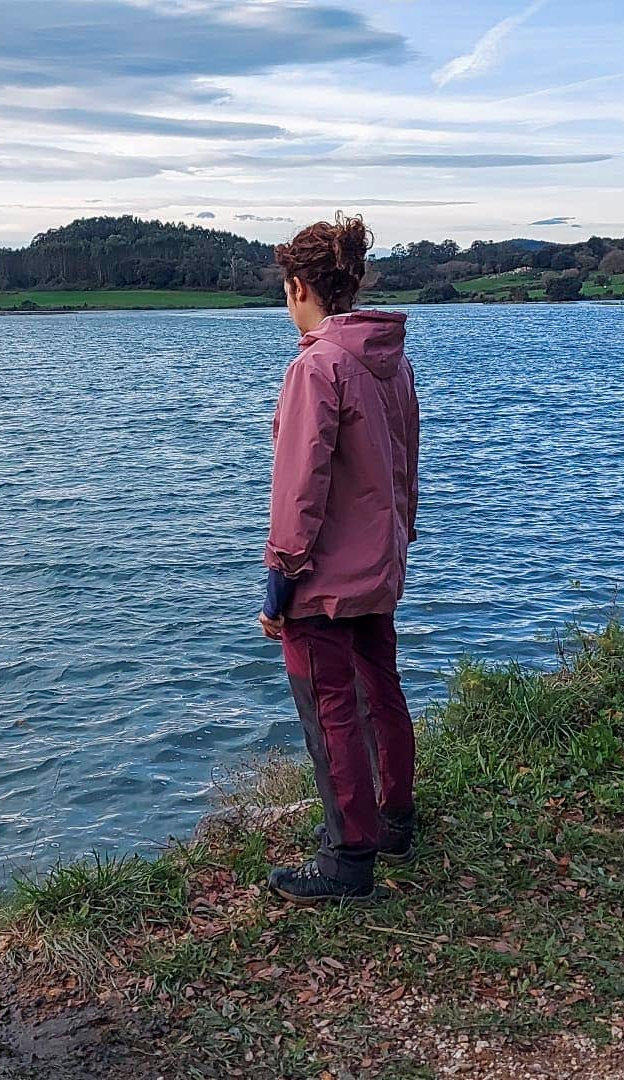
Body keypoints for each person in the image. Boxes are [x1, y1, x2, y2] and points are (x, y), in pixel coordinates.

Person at [259, 214, 421, 905]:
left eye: (286, 289)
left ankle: (347, 857)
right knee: (379, 687)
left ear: (300, 286)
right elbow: (407, 465)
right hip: (380, 563)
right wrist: (398, 544)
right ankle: (394, 817)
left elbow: (300, 488)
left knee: (330, 708)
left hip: (323, 579)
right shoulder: (389, 358)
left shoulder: (316, 364)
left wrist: (278, 581)